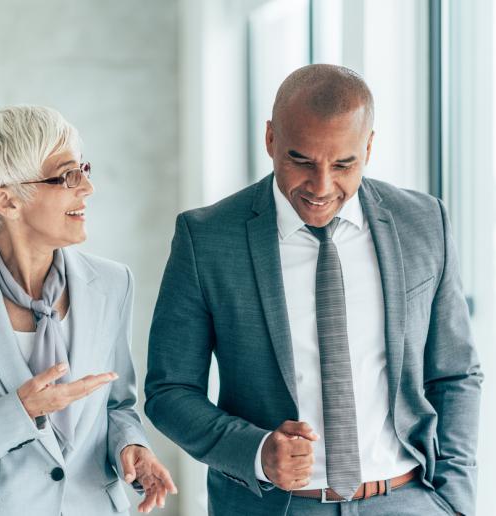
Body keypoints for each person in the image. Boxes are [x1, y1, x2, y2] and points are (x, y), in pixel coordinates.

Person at [145, 64, 481, 516]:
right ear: (270, 139)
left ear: (369, 146)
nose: (322, 187)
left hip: (408, 500)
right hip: (273, 506)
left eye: (344, 164)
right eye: (300, 160)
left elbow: (455, 375)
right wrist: (258, 452)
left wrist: (454, 501)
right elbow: (170, 390)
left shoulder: (423, 223)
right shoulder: (206, 238)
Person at [0, 105, 176, 516]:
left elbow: (117, 407)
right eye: (67, 176)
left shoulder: (114, 284)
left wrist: (131, 446)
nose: (88, 188)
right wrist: (21, 412)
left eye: (84, 168)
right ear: (7, 201)